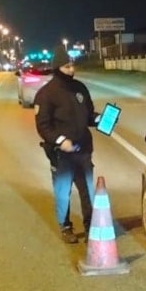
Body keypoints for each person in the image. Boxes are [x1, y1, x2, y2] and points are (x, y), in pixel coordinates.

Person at [34, 44, 98, 244]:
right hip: (61, 154)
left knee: (87, 191)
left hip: (83, 150)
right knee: (63, 192)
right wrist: (61, 141)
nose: (72, 69)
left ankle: (90, 227)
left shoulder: (80, 88)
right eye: (67, 66)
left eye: (72, 65)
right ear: (58, 68)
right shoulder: (46, 94)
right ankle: (66, 227)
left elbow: (88, 115)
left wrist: (99, 119)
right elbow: (43, 126)